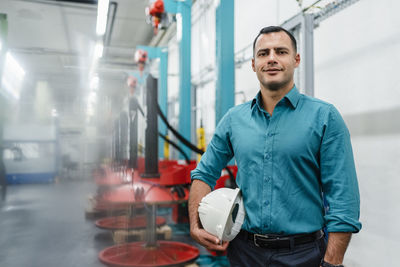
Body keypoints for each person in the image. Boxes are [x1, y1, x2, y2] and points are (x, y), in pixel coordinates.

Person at [189, 26, 361, 267]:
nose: (271, 58)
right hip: (244, 253)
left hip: (305, 255)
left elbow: (344, 198)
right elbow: (204, 173)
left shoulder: (324, 117)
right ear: (253, 64)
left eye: (280, 51)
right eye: (263, 53)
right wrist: (195, 223)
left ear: (296, 59)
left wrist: (332, 262)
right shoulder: (233, 119)